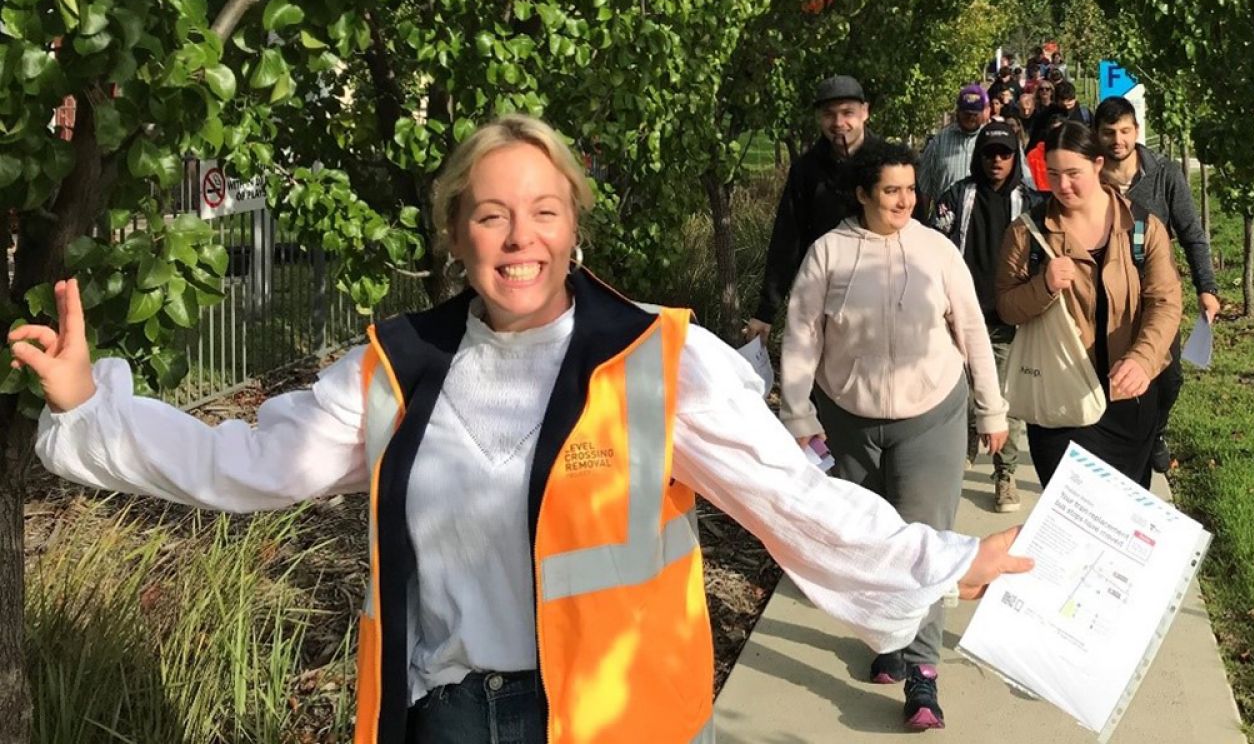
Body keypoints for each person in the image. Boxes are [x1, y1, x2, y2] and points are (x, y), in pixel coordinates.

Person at [12, 115, 1032, 744]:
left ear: (573, 222)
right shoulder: (396, 365)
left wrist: (946, 559)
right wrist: (91, 412)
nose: (519, 238)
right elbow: (253, 464)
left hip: (620, 723)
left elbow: (790, 502)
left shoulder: (658, 359)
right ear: (457, 229)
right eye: (493, 214)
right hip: (449, 718)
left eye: (543, 211)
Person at [782, 139, 1009, 731]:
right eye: (891, 191)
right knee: (873, 542)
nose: (904, 200)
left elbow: (972, 330)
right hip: (849, 419)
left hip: (932, 413)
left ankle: (923, 676)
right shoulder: (828, 254)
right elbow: (801, 335)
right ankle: (886, 635)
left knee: (929, 542)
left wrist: (992, 409)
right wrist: (799, 415)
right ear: (863, 194)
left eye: (911, 189)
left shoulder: (935, 250)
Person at [995, 120, 1183, 489]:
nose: (1063, 186)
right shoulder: (1027, 233)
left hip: (1129, 397)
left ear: (1098, 165)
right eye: (1052, 174)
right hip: (1060, 400)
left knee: (1125, 522)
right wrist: (1044, 285)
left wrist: (1143, 359)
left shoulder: (1142, 227)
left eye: (1073, 173)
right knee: (1071, 521)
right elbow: (1006, 306)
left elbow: (1166, 302)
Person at [1094, 95, 1220, 474]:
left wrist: (1206, 287)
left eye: (1125, 131)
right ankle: (1111, 448)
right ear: (1096, 135)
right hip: (1105, 295)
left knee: (1167, 379)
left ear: (1136, 131)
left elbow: (1192, 233)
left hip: (1154, 295)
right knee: (1107, 377)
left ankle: (1156, 432)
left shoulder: (1165, 174)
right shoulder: (1090, 179)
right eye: (1109, 132)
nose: (1118, 140)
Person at [930, 122, 1038, 512]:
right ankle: (959, 451)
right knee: (954, 394)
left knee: (1002, 400)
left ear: (1015, 157)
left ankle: (1005, 475)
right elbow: (934, 242)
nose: (997, 161)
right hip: (956, 316)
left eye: (1005, 154)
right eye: (990, 153)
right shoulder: (957, 196)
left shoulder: (1030, 202)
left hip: (1006, 319)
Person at [744, 74, 873, 348]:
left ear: (865, 112)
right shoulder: (806, 171)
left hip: (880, 293)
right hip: (824, 297)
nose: (838, 123)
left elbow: (916, 230)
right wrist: (766, 310)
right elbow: (787, 239)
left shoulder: (887, 163)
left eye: (848, 113)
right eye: (829, 115)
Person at [917, 84, 989, 217]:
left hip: (979, 222)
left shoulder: (992, 139)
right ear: (958, 111)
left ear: (984, 112)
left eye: (974, 114)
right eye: (966, 113)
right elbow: (923, 188)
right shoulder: (939, 141)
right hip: (944, 223)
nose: (970, 118)